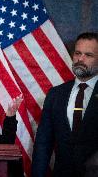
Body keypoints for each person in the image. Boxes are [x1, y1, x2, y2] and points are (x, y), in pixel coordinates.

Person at [31, 32, 98, 177]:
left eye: (88, 55)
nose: (80, 59)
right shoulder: (55, 94)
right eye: (78, 53)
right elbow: (43, 144)